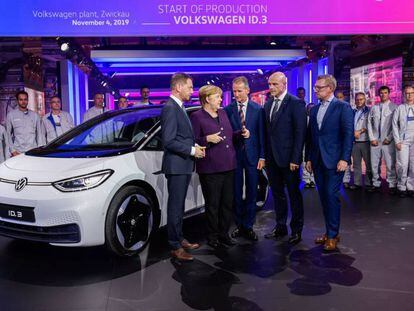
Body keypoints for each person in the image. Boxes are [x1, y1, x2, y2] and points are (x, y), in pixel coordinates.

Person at [190, 85, 247, 248]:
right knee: (213, 204)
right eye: (218, 97)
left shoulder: (222, 113)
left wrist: (240, 134)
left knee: (227, 203)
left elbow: (227, 136)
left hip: (229, 164)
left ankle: (224, 233)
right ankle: (212, 236)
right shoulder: (197, 116)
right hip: (210, 168)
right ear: (207, 99)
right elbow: (192, 140)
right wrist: (206, 138)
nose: (221, 99)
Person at [305, 74, 354, 251]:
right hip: (318, 160)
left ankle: (333, 235)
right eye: (315, 87)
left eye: (319, 87)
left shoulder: (343, 107)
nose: (316, 90)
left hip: (335, 161)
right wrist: (309, 157)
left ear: (330, 88)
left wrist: (344, 158)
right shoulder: (315, 109)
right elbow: (312, 136)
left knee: (331, 196)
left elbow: (348, 135)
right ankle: (329, 232)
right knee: (324, 197)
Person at [161, 73, 205, 261]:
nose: (192, 91)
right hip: (177, 165)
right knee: (175, 207)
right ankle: (174, 246)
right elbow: (168, 141)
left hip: (182, 165)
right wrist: (191, 150)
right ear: (178, 87)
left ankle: (179, 238)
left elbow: (180, 137)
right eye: (189, 87)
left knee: (179, 206)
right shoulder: (171, 108)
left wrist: (193, 147)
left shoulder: (178, 107)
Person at [263, 72, 307, 245]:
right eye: (270, 84)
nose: (271, 87)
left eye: (274, 84)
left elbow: (300, 133)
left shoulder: (296, 103)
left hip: (290, 160)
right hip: (272, 159)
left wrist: (296, 159)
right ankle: (280, 226)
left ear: (284, 84)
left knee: (294, 195)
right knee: (278, 195)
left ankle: (296, 230)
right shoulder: (268, 105)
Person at [224, 76, 265, 242]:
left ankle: (248, 225)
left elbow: (262, 135)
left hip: (253, 156)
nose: (236, 94)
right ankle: (239, 225)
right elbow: (226, 134)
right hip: (234, 156)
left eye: (239, 91)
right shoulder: (228, 109)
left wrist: (262, 156)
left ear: (247, 91)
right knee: (235, 192)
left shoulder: (258, 109)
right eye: (234, 91)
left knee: (251, 191)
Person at [367, 86, 397, 193]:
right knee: (374, 164)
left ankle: (392, 184)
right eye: (381, 93)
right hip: (375, 141)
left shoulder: (394, 107)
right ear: (378, 94)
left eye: (385, 92)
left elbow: (396, 126)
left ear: (389, 93)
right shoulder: (374, 108)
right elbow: (369, 124)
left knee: (390, 163)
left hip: (388, 141)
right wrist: (372, 138)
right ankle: (376, 183)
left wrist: (389, 138)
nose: (383, 94)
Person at [6, 90, 44, 156]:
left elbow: (39, 134)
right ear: (17, 101)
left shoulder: (35, 115)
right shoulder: (11, 115)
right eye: (21, 100)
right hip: (17, 151)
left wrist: (39, 149)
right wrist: (13, 150)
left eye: (25, 99)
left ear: (28, 100)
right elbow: (8, 134)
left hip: (33, 150)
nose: (23, 102)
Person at [392, 85, 414, 198]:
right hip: (403, 140)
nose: (409, 95)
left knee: (413, 165)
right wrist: (397, 141)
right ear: (404, 95)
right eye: (407, 93)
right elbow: (394, 125)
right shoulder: (400, 108)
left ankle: (411, 187)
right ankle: (401, 187)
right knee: (402, 165)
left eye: (411, 93)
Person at [349, 92, 372, 190]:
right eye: (357, 99)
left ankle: (368, 183)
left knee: (368, 164)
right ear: (355, 100)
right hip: (355, 142)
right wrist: (353, 132)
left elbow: (371, 125)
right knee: (356, 164)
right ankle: (357, 183)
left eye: (361, 99)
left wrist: (360, 131)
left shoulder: (369, 111)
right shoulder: (352, 111)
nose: (359, 101)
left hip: (365, 141)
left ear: (365, 100)